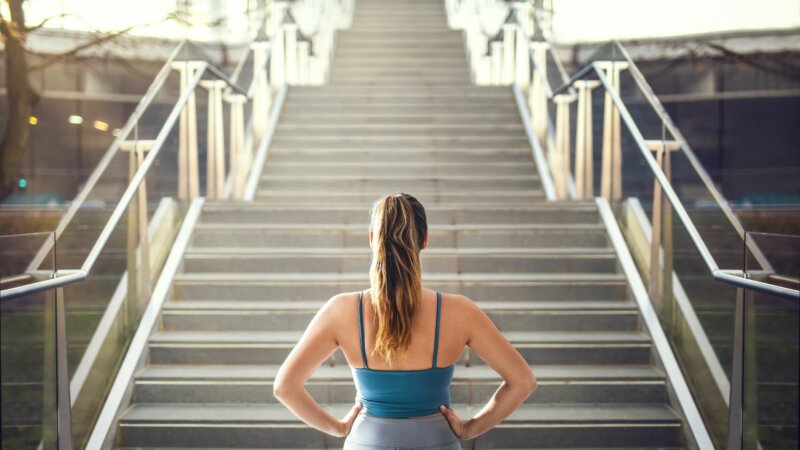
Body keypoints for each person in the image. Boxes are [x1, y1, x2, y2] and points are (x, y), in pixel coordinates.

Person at [273, 192, 538, 449]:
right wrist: (470, 429)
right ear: (424, 240)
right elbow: (523, 381)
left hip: (366, 441)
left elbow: (285, 387)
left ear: (372, 239)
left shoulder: (341, 310)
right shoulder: (460, 312)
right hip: (438, 441)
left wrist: (339, 428)